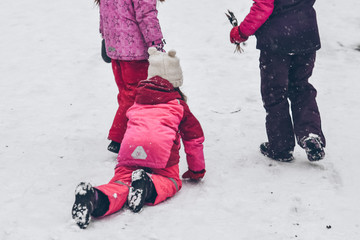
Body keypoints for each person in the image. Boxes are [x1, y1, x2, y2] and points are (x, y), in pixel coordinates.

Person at [71, 47, 206, 229]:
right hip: (162, 156)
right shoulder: (179, 105)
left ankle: (95, 198)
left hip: (131, 151)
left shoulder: (137, 100)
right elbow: (194, 140)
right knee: (170, 181)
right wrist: (196, 171)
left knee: (120, 184)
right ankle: (148, 185)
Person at [229, 0, 325, 162]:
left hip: (277, 42)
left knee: (275, 92)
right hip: (306, 34)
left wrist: (241, 32)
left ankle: (281, 147)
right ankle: (310, 135)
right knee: (301, 87)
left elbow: (263, 7)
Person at [95, 0, 166, 153]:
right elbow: (146, 15)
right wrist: (156, 44)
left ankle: (128, 132)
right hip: (135, 52)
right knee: (136, 94)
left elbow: (104, 12)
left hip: (115, 49)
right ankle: (119, 137)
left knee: (125, 94)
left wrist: (105, 38)